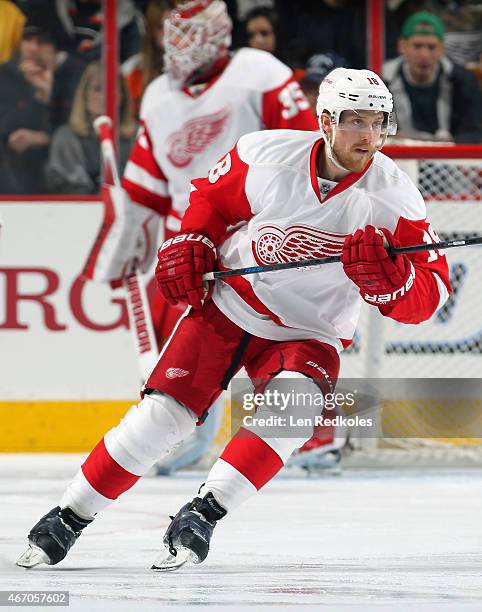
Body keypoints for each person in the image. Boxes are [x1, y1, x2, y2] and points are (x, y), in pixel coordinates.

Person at [17, 67, 451, 570]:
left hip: (311, 329)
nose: (370, 135)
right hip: (231, 302)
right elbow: (211, 202)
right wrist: (193, 238)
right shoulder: (266, 154)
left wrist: (393, 285)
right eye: (356, 120)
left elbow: (431, 289)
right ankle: (67, 517)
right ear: (326, 121)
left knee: (295, 411)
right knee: (165, 417)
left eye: (378, 122)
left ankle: (203, 513)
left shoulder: (394, 197)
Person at [117, 0, 318, 473]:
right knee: (183, 355)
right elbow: (147, 183)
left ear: (217, 34)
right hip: (185, 244)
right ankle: (178, 442)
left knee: (282, 342)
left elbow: (307, 146)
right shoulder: (157, 95)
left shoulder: (259, 71)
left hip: (251, 242)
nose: (176, 47)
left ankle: (310, 438)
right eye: (173, 35)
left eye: (188, 35)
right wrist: (129, 231)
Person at [383, 11, 482, 143]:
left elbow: (474, 132)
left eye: (431, 47)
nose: (424, 54)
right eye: (417, 46)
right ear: (402, 46)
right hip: (400, 158)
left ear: (442, 49)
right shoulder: (383, 82)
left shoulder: (464, 81)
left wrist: (449, 143)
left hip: (449, 158)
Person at [46, 61, 136, 194]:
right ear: (84, 94)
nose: (104, 96)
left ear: (122, 96)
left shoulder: (137, 136)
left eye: (111, 89)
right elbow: (66, 188)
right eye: (98, 89)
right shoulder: (65, 137)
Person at [0, 17, 57, 194]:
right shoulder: (3, 76)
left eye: (40, 42)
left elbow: (72, 126)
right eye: (28, 40)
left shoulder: (63, 77)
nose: (33, 48)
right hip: (7, 158)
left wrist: (45, 94)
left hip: (46, 163)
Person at [122, 0, 176, 119]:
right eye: (162, 27)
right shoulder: (133, 70)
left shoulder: (195, 67)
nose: (171, 33)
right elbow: (128, 119)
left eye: (175, 26)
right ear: (151, 31)